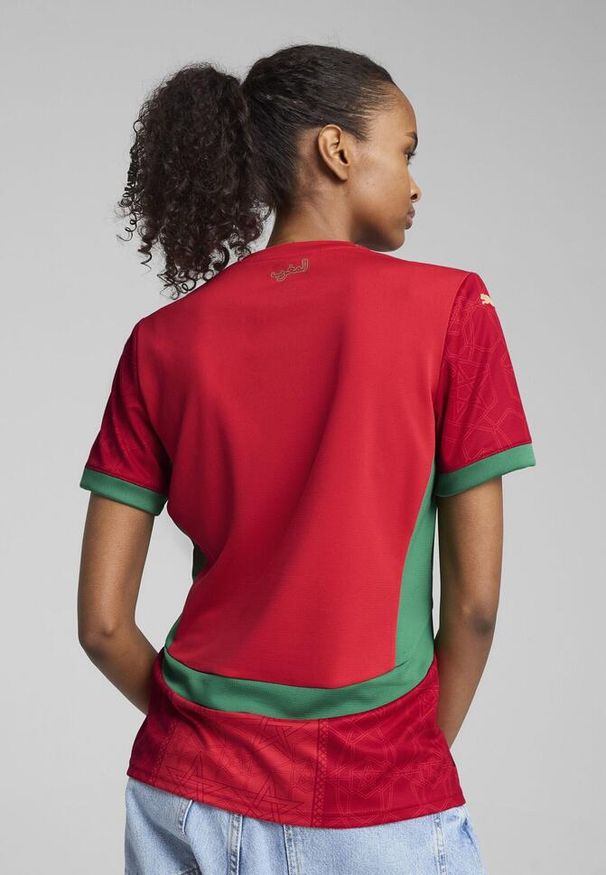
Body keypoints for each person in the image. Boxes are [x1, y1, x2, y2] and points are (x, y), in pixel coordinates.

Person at [77, 42, 536, 875]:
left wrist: (199, 736)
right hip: (374, 789)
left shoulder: (160, 343)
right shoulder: (452, 309)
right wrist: (415, 755)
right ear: (336, 149)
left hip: (184, 793)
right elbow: (474, 605)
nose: (416, 183)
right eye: (406, 151)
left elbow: (103, 624)